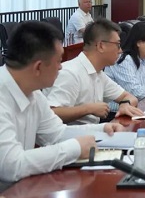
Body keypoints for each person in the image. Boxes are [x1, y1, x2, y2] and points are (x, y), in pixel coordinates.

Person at [0, 21, 123, 182]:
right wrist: (75, 148)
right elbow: (11, 166)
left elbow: (57, 134)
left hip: (20, 186)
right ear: (38, 67)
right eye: (58, 61)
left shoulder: (34, 93)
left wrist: (102, 129)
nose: (61, 67)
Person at [46, 19, 144, 125]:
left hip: (92, 132)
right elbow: (52, 113)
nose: (120, 50)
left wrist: (125, 104)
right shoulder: (70, 73)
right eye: (117, 45)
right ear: (101, 46)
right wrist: (88, 109)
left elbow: (129, 97)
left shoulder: (98, 74)